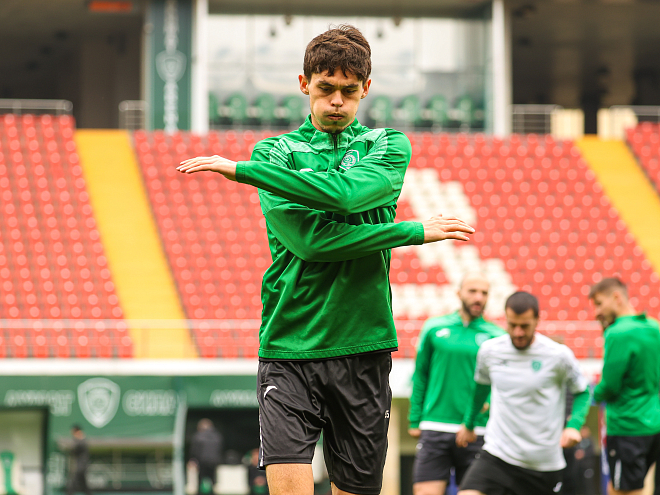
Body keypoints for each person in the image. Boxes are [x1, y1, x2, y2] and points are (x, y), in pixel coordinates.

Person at [178, 25, 475, 495]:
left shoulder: (388, 144)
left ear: (366, 89)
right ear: (304, 84)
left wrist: (246, 173)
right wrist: (412, 231)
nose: (336, 101)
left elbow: (346, 195)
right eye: (325, 88)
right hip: (289, 346)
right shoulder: (274, 151)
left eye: (348, 91)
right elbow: (311, 243)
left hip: (363, 345)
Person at [455, 291, 592, 495]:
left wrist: (574, 426)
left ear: (537, 320)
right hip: (498, 455)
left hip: (542, 465)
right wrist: (469, 423)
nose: (518, 332)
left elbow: (582, 391)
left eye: (525, 326)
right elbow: (480, 390)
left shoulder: (558, 355)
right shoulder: (490, 351)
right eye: (512, 325)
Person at [408, 273, 505, 495]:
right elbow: (421, 375)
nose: (479, 297)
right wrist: (415, 419)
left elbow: (501, 383)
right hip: (435, 426)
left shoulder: (497, 336)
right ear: (459, 293)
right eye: (473, 291)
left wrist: (487, 405)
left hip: (477, 430)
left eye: (484, 293)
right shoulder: (434, 327)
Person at [589, 277, 660, 495]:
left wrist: (592, 393)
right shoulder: (653, 326)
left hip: (626, 426)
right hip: (653, 422)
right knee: (631, 485)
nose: (597, 312)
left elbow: (609, 386)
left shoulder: (618, 332)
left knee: (626, 491)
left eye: (599, 304)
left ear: (616, 297)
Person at [189, 419, 223, 495]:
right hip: (214, 461)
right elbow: (220, 449)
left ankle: (199, 492)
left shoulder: (198, 436)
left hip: (202, 461)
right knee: (213, 480)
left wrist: (193, 460)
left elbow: (194, 450)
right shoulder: (217, 436)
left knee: (200, 479)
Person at [65, 425, 91, 495]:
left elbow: (76, 449)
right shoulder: (78, 440)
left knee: (74, 482)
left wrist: (78, 439)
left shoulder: (82, 440)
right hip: (79, 465)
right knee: (83, 484)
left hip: (81, 466)